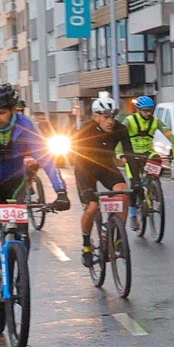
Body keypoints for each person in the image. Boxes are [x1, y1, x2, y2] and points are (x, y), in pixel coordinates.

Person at [0, 83, 69, 296]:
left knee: (21, 223)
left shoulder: (26, 125)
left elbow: (46, 158)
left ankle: (19, 275)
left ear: (14, 111)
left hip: (15, 178)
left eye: (1, 113)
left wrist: (61, 191)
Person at [70, 96, 132, 269]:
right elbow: (79, 159)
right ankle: (86, 246)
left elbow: (130, 156)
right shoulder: (85, 130)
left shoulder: (120, 129)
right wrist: (88, 192)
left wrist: (136, 182)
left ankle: (117, 235)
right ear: (96, 116)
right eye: (106, 117)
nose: (110, 121)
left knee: (123, 194)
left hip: (106, 167)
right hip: (85, 169)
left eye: (113, 116)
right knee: (92, 207)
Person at [122, 94, 173, 230]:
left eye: (150, 110)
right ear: (138, 110)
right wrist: (120, 154)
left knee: (156, 158)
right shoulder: (129, 121)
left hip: (147, 154)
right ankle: (133, 216)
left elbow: (169, 135)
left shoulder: (156, 121)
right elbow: (118, 136)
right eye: (145, 111)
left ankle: (153, 185)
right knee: (135, 186)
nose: (148, 113)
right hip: (132, 155)